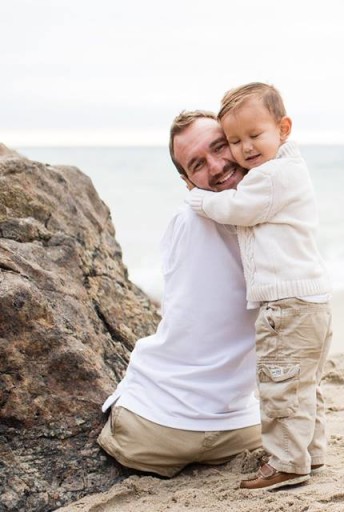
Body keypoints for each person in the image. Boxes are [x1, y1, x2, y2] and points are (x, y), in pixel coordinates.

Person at [97, 110, 262, 478]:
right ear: (188, 183)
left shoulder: (243, 218)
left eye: (220, 147)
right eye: (198, 163)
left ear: (238, 143)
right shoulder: (200, 219)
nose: (217, 166)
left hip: (168, 428)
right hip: (197, 427)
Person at [186, 83, 333, 491]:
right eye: (234, 141)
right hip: (309, 301)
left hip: (287, 304)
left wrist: (199, 199)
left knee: (279, 382)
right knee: (303, 385)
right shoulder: (285, 169)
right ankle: (309, 453)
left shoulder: (271, 176)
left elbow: (237, 209)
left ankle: (286, 463)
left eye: (255, 135)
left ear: (283, 129)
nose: (245, 148)